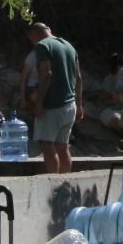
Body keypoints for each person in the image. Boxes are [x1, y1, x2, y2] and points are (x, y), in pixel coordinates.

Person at [24, 22, 82, 175]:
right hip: (70, 105)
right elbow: (79, 78)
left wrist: (39, 102)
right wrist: (79, 104)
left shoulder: (43, 46)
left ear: (34, 33)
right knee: (62, 146)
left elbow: (47, 73)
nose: (31, 42)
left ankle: (53, 183)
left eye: (30, 38)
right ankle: (65, 182)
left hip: (52, 105)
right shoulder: (69, 46)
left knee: (47, 144)